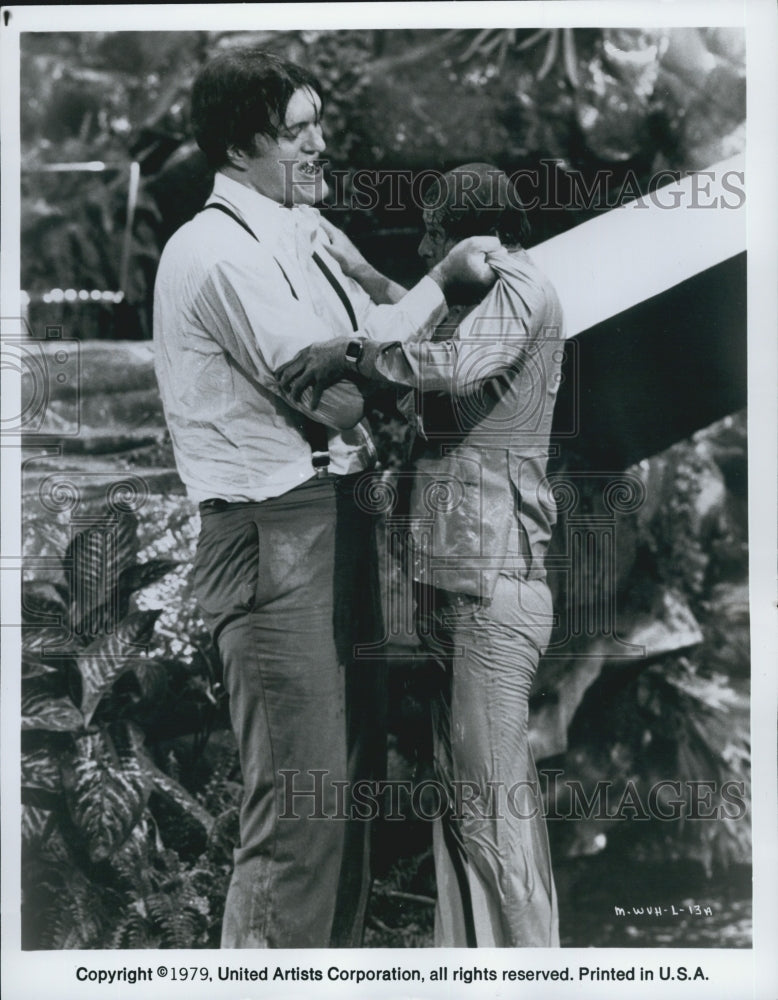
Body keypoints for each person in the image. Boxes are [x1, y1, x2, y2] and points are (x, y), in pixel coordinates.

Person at [153, 49, 499, 950]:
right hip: (271, 531)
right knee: (300, 817)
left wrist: (383, 294)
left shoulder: (300, 234)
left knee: (343, 804)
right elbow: (345, 393)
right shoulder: (217, 251)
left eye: (318, 125)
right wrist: (430, 291)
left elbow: (381, 342)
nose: (319, 145)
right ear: (239, 145)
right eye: (296, 131)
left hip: (335, 516)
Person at [277, 163, 563, 947]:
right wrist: (361, 270)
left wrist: (350, 351)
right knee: (468, 804)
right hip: (463, 576)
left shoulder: (519, 288)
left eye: (438, 230)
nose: (430, 246)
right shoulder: (484, 301)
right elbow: (431, 335)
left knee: (490, 810)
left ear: (478, 235)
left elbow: (448, 365)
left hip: (494, 579)